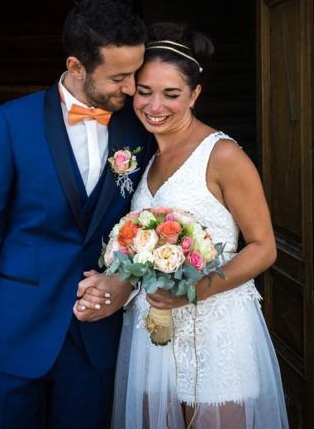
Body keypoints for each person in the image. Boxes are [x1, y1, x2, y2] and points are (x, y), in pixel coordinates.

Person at [0, 0, 155, 428]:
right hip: (12, 337)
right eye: (119, 76)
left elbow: (150, 222)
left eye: (135, 72)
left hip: (96, 341)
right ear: (77, 67)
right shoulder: (9, 123)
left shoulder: (141, 130)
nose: (133, 88)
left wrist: (124, 283)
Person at [111, 22, 289, 429]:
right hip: (153, 331)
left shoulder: (223, 155)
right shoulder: (144, 156)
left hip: (218, 330)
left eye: (171, 94)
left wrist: (193, 291)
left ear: (195, 95)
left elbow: (264, 248)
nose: (155, 105)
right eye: (145, 91)